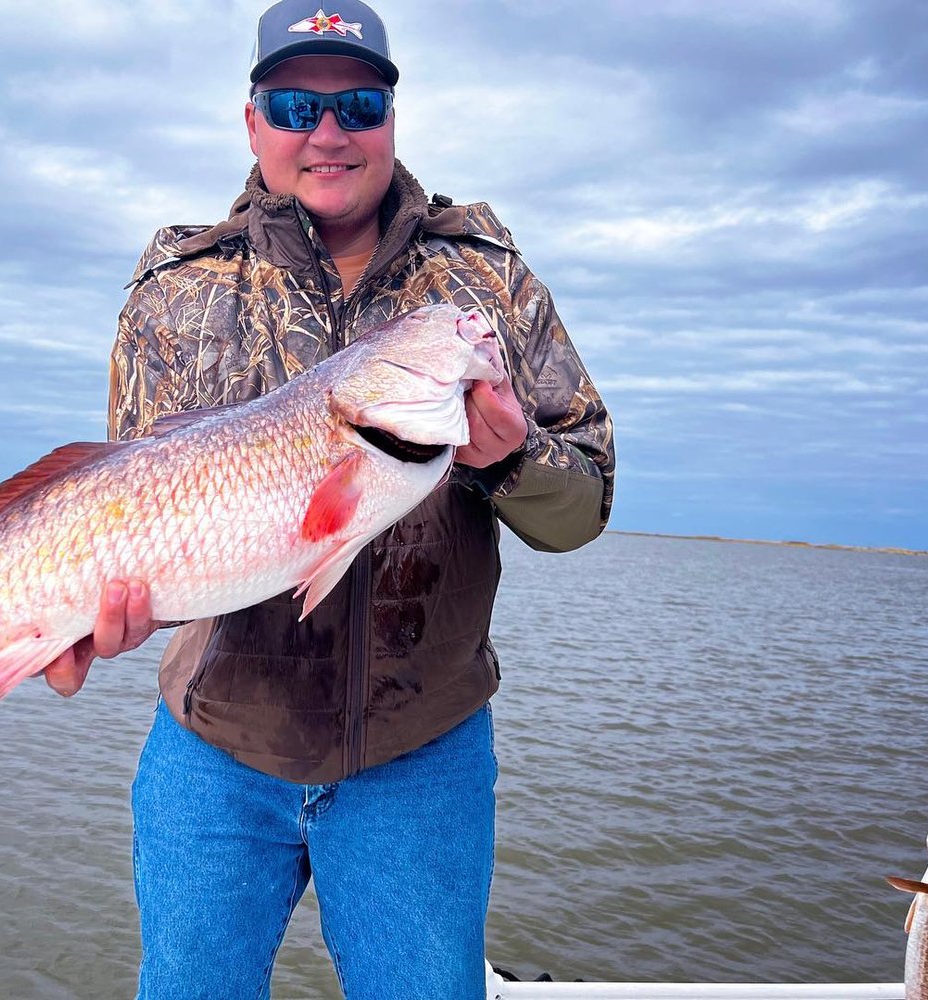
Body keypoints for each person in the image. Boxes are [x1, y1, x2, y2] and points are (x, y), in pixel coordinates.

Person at [40, 2, 615, 996]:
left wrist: (509, 460)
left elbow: (586, 503)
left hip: (419, 751)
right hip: (213, 748)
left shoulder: (484, 282)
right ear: (252, 121)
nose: (328, 133)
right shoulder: (176, 284)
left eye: (356, 103)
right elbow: (132, 496)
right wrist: (106, 611)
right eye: (294, 104)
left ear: (391, 116)